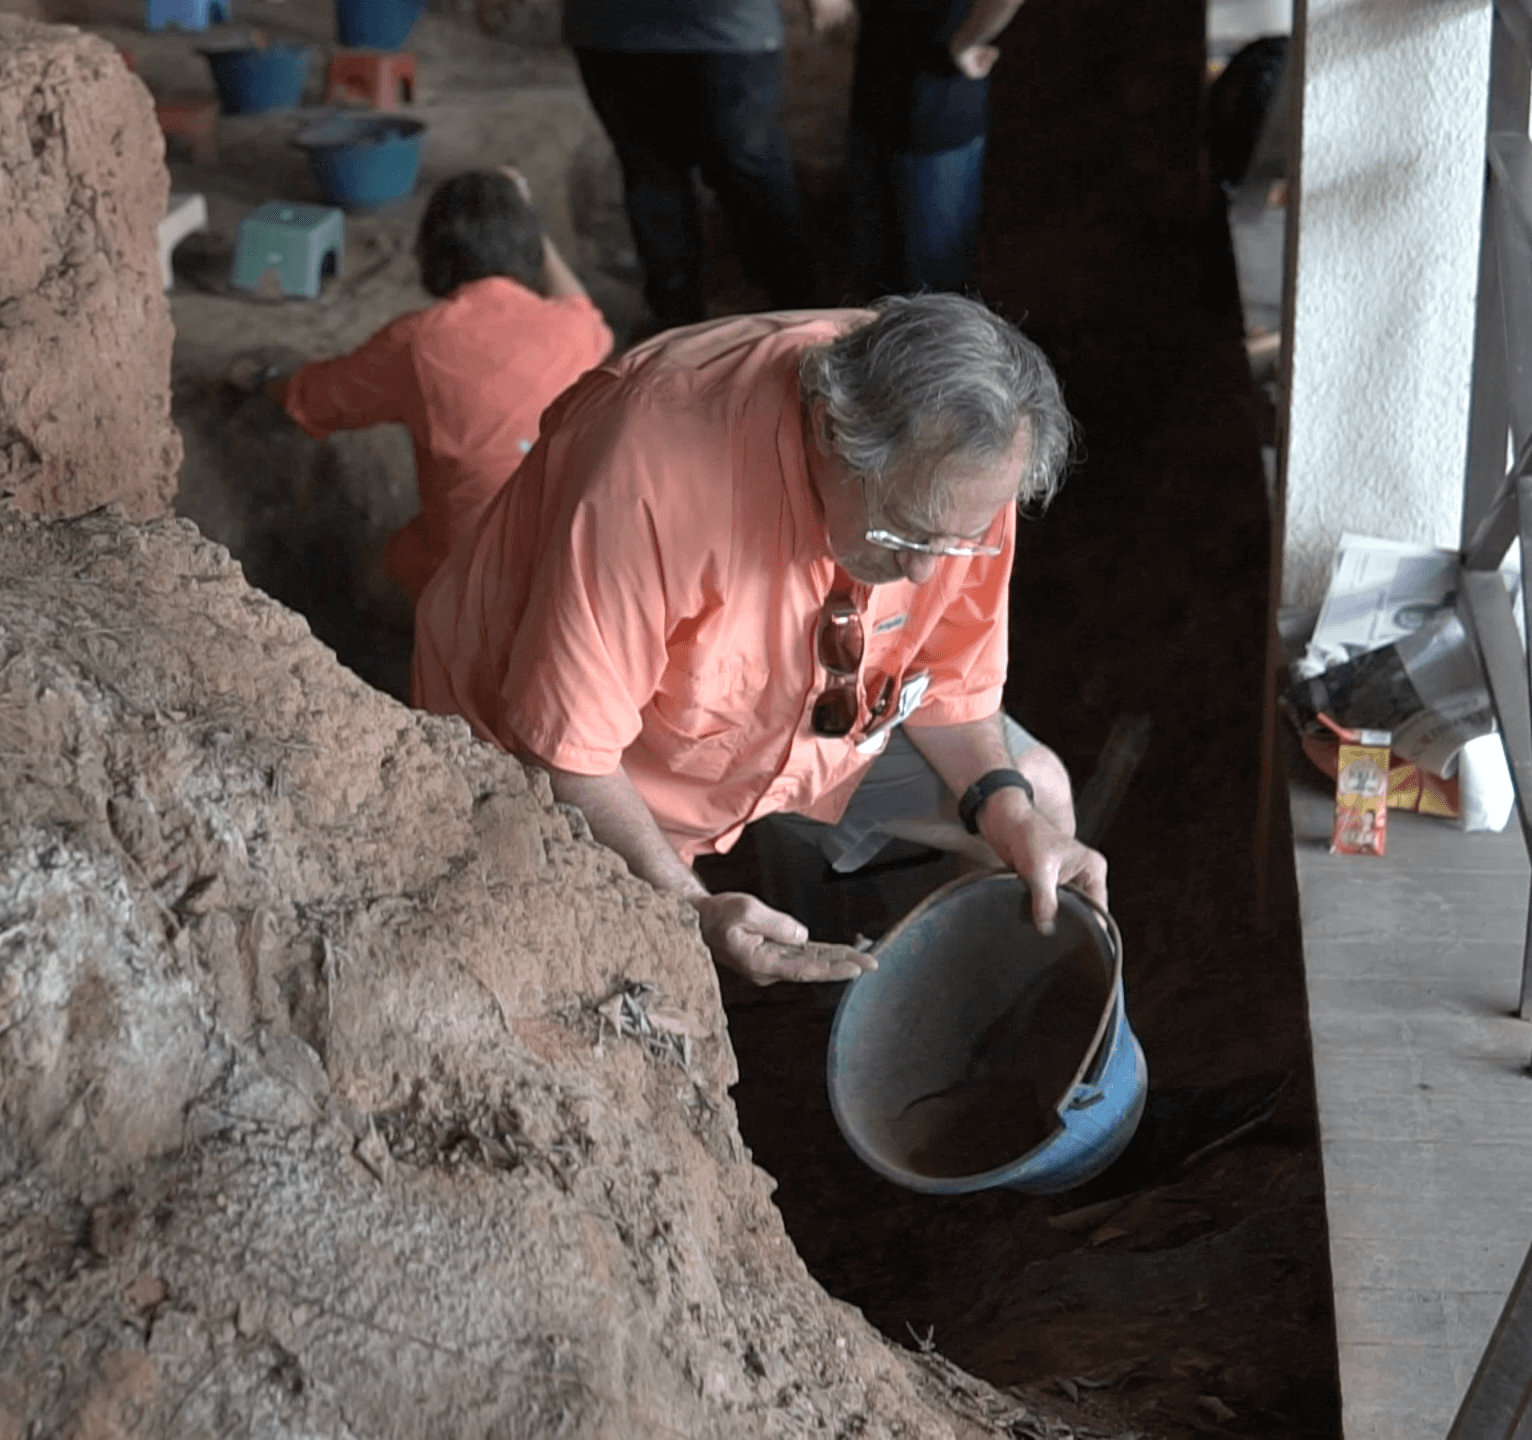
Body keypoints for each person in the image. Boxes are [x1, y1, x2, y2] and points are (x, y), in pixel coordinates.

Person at [412, 293, 1106, 984]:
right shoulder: (653, 476)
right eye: (904, 532)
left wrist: (1008, 812)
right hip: (566, 748)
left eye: (957, 542)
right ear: (830, 430)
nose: (927, 570)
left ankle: (930, 1017)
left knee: (1038, 795)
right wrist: (690, 906)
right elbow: (569, 754)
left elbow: (950, 686)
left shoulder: (966, 457)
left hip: (802, 729)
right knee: (619, 988)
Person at [231, 170, 613, 603]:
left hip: (479, 578)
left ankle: (427, 632)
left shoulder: (417, 342)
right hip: (576, 563)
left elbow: (314, 399)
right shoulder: (572, 329)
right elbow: (583, 306)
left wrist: (262, 379)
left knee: (373, 572)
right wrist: (526, 219)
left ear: (432, 251)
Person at [562, 0, 844, 335]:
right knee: (653, 180)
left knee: (746, 176)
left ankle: (806, 316)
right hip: (616, 31)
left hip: (721, 28)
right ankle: (676, 328)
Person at [844, 0, 1029, 296]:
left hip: (936, 105)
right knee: (874, 269)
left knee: (933, 279)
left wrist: (968, 39)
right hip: (873, 94)